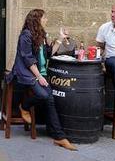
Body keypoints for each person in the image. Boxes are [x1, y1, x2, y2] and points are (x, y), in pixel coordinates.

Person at [6, 9, 77, 151]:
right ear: (36, 20)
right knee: (45, 95)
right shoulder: (25, 36)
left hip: (40, 73)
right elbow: (27, 58)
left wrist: (60, 38)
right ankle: (24, 106)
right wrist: (38, 76)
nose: (46, 20)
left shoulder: (42, 35)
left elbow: (50, 53)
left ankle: (59, 137)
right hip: (27, 73)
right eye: (44, 18)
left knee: (49, 99)